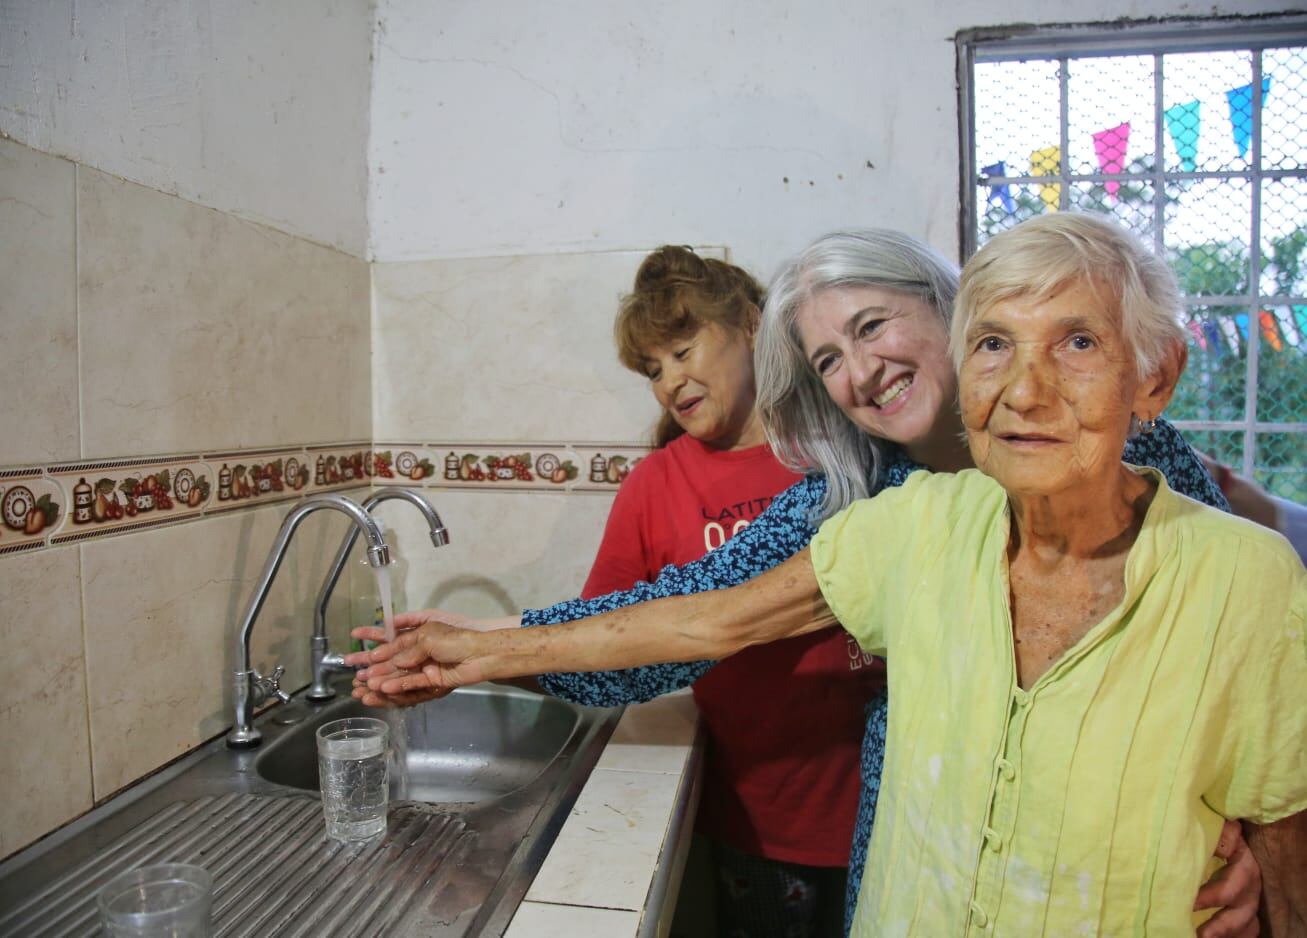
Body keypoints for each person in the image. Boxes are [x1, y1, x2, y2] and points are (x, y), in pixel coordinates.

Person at [351, 220, 1266, 935]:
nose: (861, 372)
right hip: (932, 875)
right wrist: (488, 649)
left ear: (946, 305)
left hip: (1114, 874)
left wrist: (1256, 848)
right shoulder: (862, 502)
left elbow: (1243, 664)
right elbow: (695, 617)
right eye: (828, 359)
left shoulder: (1120, 442)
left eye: (872, 326)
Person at [578, 245, 871, 935]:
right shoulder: (657, 484)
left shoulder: (840, 448)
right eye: (652, 369)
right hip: (761, 821)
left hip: (892, 797)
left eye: (682, 350)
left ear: (748, 324)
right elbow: (597, 635)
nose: (667, 381)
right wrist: (486, 647)